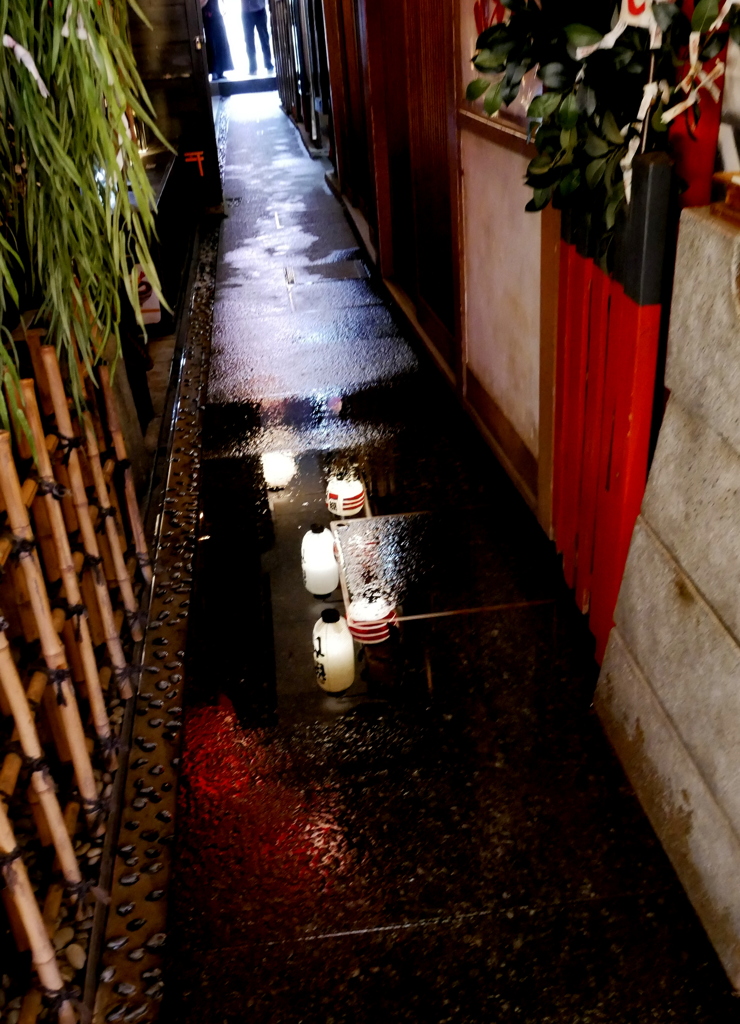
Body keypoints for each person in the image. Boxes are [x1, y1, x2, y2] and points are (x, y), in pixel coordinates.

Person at [200, 0, 233, 80]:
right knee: (211, 45)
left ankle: (220, 71)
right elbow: (200, 3)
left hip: (216, 14)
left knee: (221, 42)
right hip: (206, 16)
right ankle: (213, 71)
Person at [242, 0, 274, 76]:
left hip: (259, 9)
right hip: (246, 11)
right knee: (249, 40)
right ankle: (252, 67)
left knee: (264, 38)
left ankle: (268, 64)